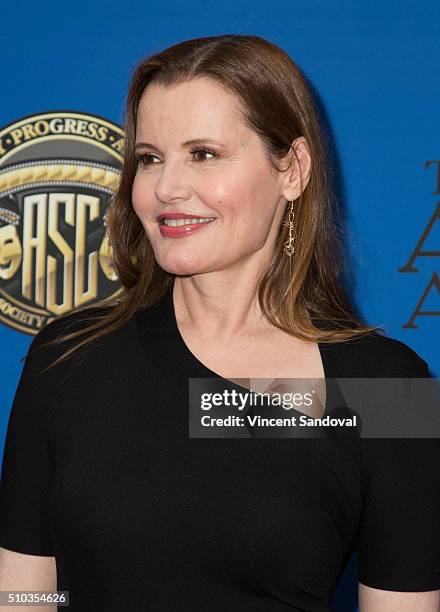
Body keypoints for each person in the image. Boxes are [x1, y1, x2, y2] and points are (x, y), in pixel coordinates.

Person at [0, 34, 439, 612]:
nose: (167, 188)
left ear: (293, 170)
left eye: (204, 153)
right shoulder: (69, 357)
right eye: (150, 158)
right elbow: (27, 592)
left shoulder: (385, 390)